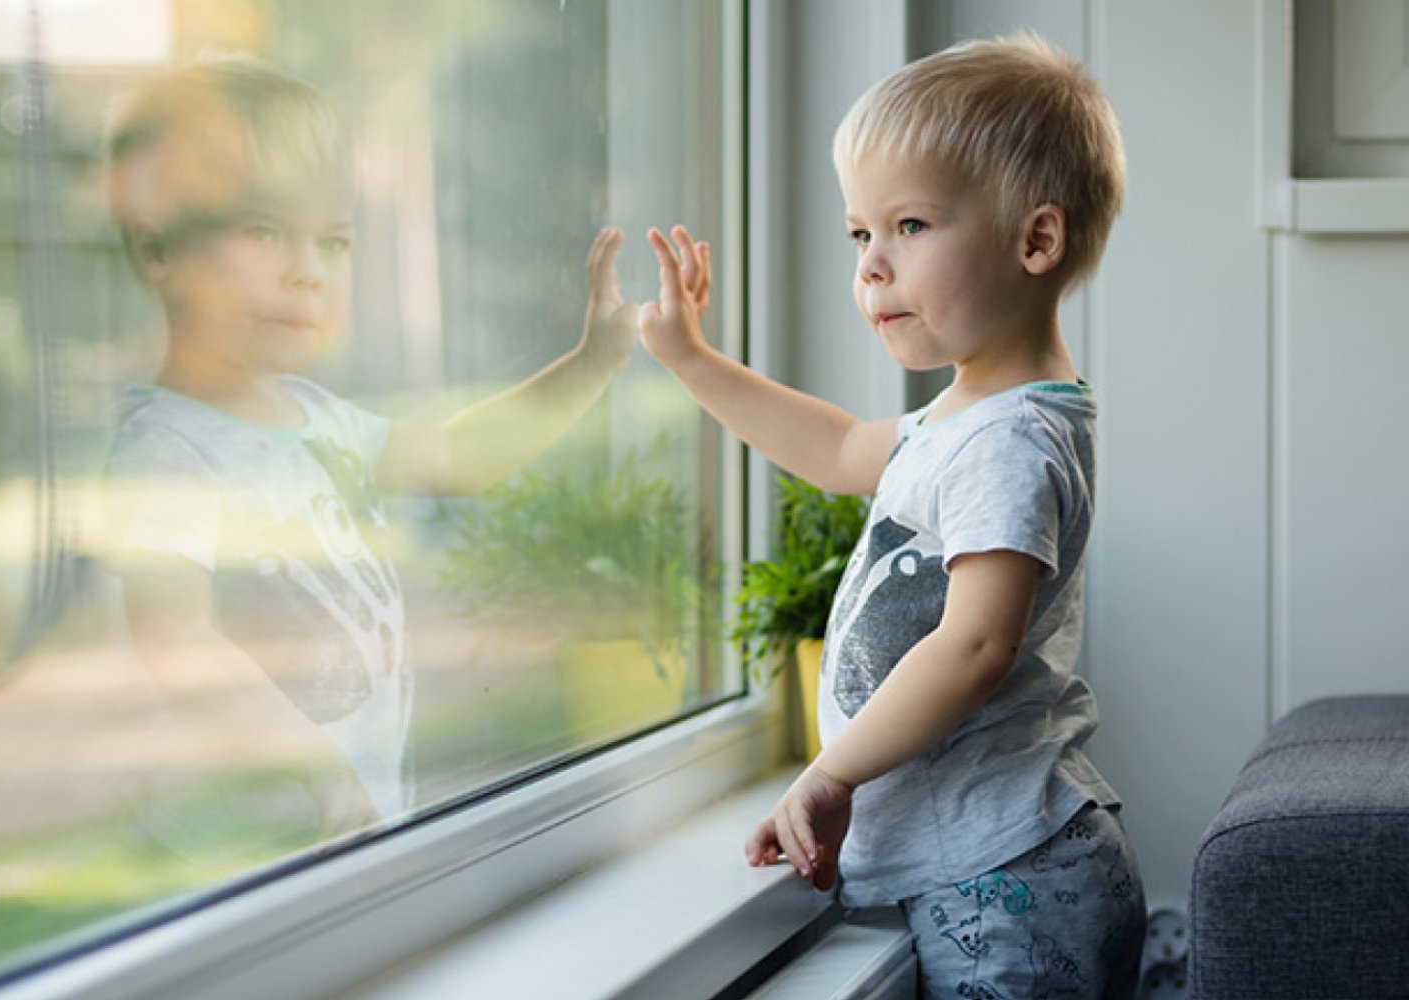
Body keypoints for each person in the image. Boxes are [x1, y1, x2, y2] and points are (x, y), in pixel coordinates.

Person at [637, 32, 1145, 997]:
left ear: (1036, 240)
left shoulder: (1008, 443)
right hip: (989, 871)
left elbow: (972, 648)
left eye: (909, 226)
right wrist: (692, 361)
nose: (871, 266)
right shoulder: (968, 417)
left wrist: (831, 773)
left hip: (1011, 883)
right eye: (858, 234)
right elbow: (832, 451)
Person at [101, 54, 638, 836]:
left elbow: (460, 457)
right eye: (263, 231)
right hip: (241, 848)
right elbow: (173, 639)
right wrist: (309, 762)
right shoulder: (168, 449)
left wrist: (591, 364)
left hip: (343, 830)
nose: (307, 273)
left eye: (334, 242)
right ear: (156, 250)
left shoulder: (324, 421)